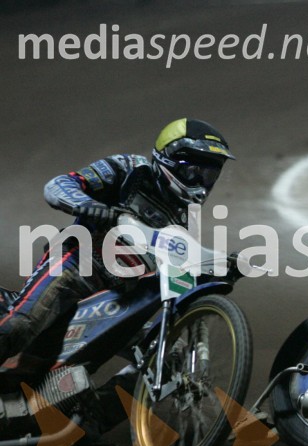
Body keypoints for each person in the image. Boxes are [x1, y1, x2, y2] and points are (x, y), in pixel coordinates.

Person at [0, 118, 235, 366]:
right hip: (77, 265)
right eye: (193, 171)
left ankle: (107, 402)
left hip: (117, 300)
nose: (201, 183)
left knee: (168, 356)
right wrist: (89, 205)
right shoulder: (130, 168)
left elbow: (183, 282)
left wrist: (217, 268)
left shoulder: (185, 222)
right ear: (169, 159)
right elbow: (59, 185)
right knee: (20, 326)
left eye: (209, 175)